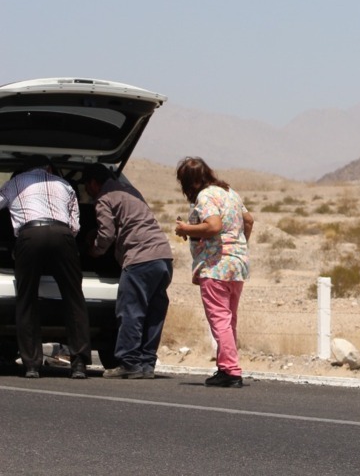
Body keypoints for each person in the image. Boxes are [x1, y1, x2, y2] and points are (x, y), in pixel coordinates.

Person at [0, 157, 90, 379]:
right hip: (63, 235)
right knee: (74, 298)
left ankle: (32, 364)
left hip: (30, 236)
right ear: (48, 168)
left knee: (27, 299)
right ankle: (78, 364)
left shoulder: (15, 183)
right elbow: (75, 225)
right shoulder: (65, 184)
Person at [83, 164, 174, 379]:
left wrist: (93, 251)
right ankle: (147, 364)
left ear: (94, 183)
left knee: (131, 310)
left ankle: (129, 362)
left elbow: (106, 234)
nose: (87, 191)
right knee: (154, 313)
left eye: (87, 186)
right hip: (163, 257)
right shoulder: (129, 191)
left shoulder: (105, 198)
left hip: (140, 259)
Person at [174, 157, 254, 388]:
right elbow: (248, 220)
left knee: (219, 319)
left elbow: (213, 225)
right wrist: (239, 245)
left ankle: (230, 371)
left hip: (216, 265)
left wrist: (186, 228)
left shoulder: (205, 196)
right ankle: (225, 366)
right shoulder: (230, 192)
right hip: (237, 265)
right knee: (229, 319)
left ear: (190, 182)